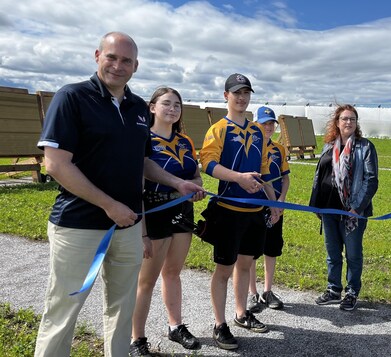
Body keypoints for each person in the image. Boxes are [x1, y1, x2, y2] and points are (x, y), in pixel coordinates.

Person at [34, 32, 203, 357]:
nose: (117, 65)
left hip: (127, 227)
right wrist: (109, 204)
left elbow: (142, 163)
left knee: (121, 311)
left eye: (126, 60)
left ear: (135, 66)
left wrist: (178, 183)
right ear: (98, 56)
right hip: (78, 225)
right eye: (111, 57)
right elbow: (55, 164)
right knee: (63, 312)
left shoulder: (138, 108)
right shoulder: (71, 97)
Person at [199, 73, 281, 350]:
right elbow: (208, 164)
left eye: (246, 93)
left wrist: (274, 203)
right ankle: (219, 324)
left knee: (245, 266)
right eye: (236, 93)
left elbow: (267, 172)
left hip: (255, 211)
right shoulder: (218, 128)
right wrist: (238, 178)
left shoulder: (258, 131)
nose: (242, 98)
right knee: (224, 269)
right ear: (226, 96)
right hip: (228, 210)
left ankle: (240, 312)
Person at [129, 87, 203, 356]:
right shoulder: (143, 138)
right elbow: (138, 182)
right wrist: (143, 231)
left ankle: (175, 326)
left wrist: (194, 189)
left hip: (182, 212)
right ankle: (137, 339)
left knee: (173, 273)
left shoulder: (185, 141)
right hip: (153, 211)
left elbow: (196, 178)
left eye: (177, 105)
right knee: (145, 280)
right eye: (166, 104)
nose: (172, 109)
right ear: (152, 107)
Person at [309, 104, 379, 312]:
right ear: (337, 123)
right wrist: (317, 205)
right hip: (329, 210)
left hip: (352, 213)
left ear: (356, 124)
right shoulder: (329, 146)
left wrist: (357, 207)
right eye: (344, 119)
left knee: (353, 253)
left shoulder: (365, 147)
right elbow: (319, 175)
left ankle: (351, 292)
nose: (348, 122)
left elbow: (371, 180)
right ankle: (333, 289)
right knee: (332, 253)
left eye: (352, 119)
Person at [246, 106, 291, 313]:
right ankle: (252, 292)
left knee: (271, 248)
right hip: (255, 206)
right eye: (263, 123)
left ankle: (267, 291)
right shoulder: (250, 147)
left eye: (271, 123)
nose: (268, 127)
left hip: (276, 207)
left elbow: (285, 177)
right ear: (255, 124)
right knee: (251, 251)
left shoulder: (279, 149)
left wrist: (280, 201)